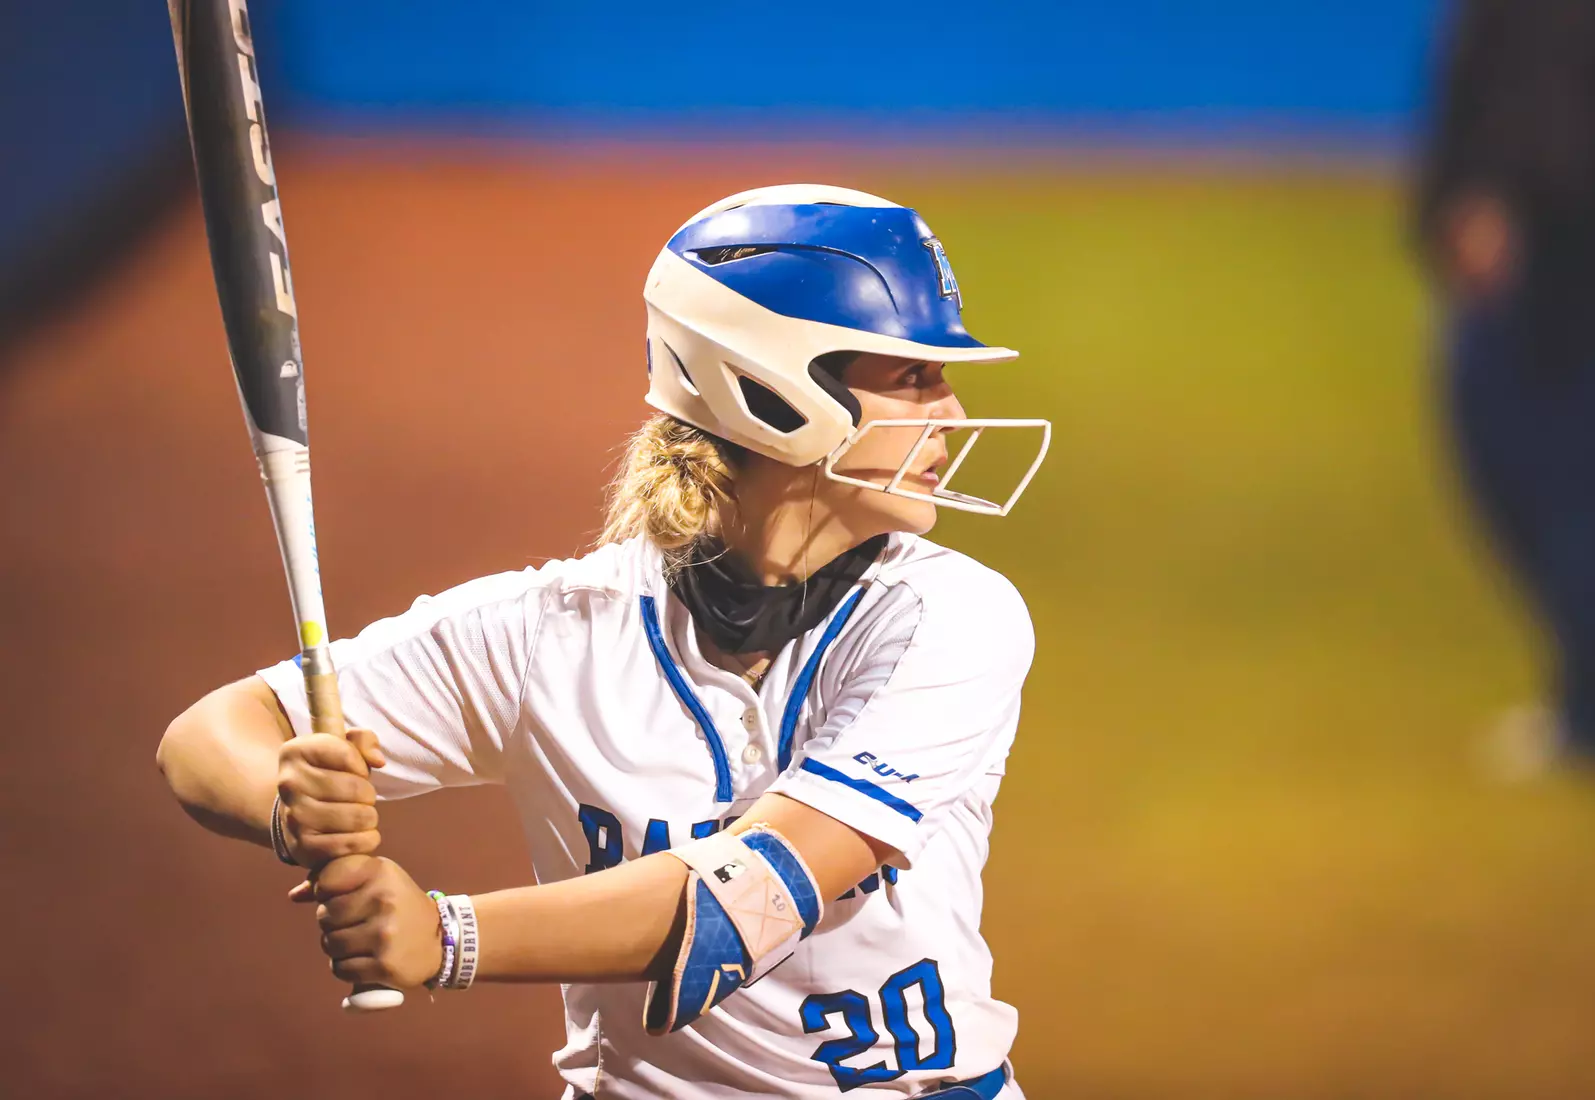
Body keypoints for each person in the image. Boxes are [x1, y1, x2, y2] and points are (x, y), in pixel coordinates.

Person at [156, 184, 1051, 1098]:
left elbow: (752, 897)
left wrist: (446, 936)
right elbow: (205, 737)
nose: (948, 412)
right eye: (913, 377)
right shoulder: (555, 631)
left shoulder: (948, 618)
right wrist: (291, 801)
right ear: (778, 390)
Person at [1415, 0, 1595, 775]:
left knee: (1566, 478)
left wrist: (1506, 198)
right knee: (1511, 462)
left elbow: (1562, 96)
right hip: (1538, 239)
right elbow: (1480, 80)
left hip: (1581, 248)